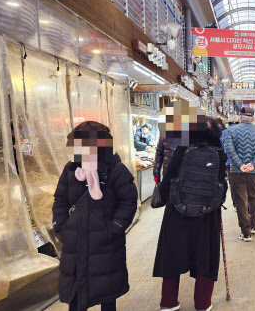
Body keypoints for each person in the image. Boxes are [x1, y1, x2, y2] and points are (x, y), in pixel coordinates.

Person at [52, 121, 138, 311]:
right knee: (75, 293)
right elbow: (60, 200)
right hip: (75, 241)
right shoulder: (71, 170)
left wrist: (114, 227)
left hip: (106, 243)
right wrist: (61, 227)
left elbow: (128, 200)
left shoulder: (115, 169)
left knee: (107, 292)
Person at [153, 113, 226, 311]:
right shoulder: (219, 152)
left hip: (176, 211)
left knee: (171, 255)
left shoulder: (182, 149)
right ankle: (203, 304)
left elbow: (168, 179)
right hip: (207, 215)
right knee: (205, 257)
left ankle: (168, 302)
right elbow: (222, 187)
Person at [224, 107, 255, 242]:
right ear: (253, 119)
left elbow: (229, 148)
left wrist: (240, 164)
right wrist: (253, 164)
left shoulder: (231, 130)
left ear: (240, 118)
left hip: (237, 171)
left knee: (241, 200)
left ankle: (246, 232)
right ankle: (253, 226)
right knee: (254, 197)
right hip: (254, 171)